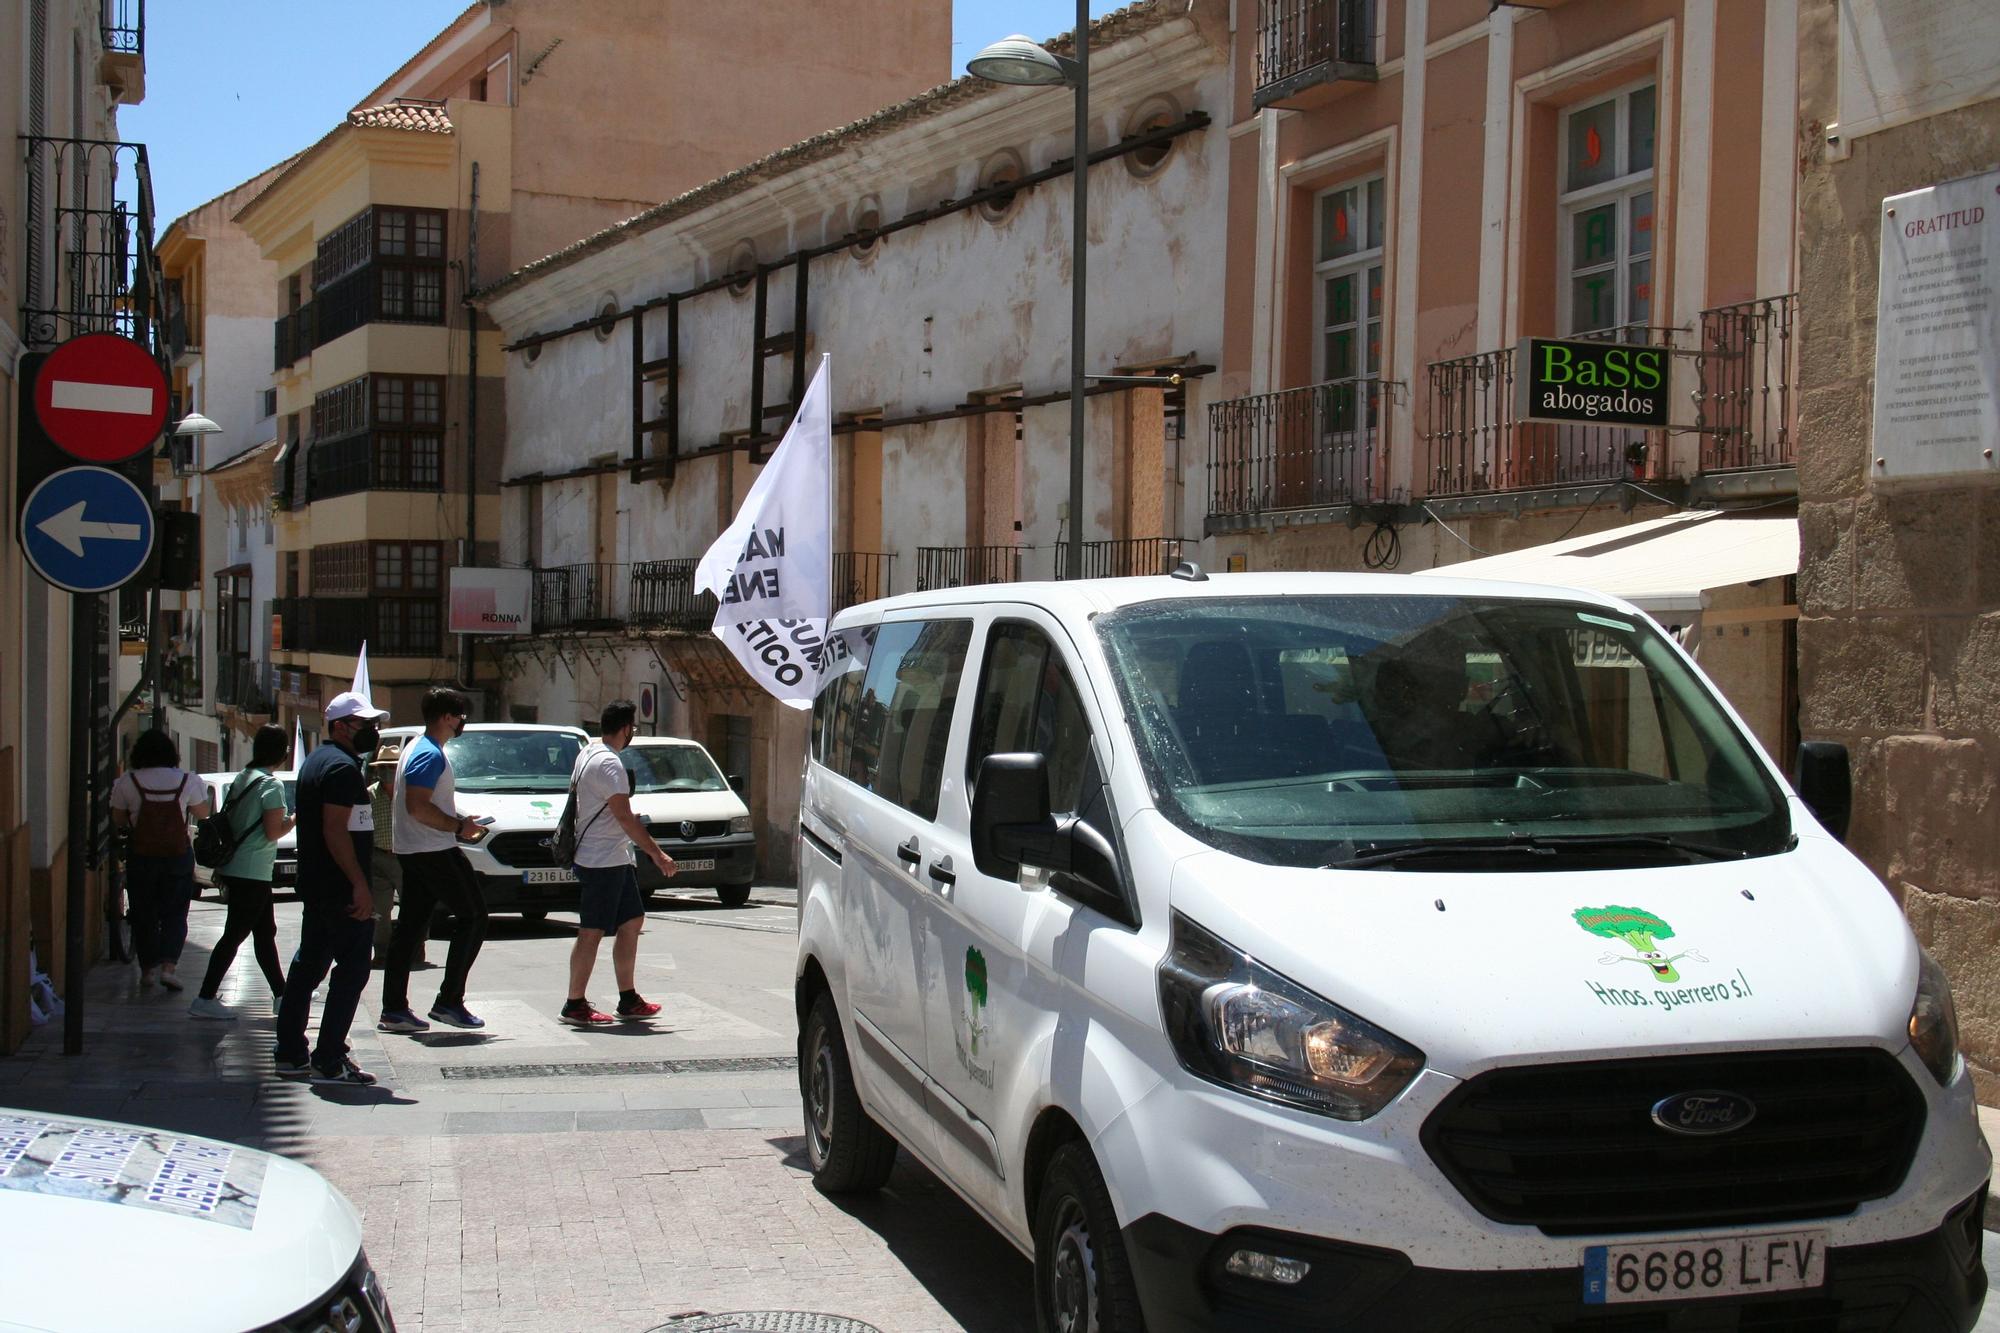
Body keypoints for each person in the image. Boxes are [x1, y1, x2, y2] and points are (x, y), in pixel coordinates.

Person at [273, 692, 388, 1084]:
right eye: (365, 725)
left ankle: (290, 1052)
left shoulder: (319, 761)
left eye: (375, 725)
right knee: (353, 968)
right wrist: (359, 885)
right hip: (339, 888)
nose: (373, 732)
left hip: (319, 884)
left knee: (309, 967)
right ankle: (329, 1057)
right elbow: (335, 831)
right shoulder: (340, 770)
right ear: (340, 726)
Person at [379, 687, 490, 1034]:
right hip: (433, 849)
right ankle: (449, 1001)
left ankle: (394, 1008)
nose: (461, 723)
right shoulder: (428, 754)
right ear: (446, 718)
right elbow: (417, 806)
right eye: (459, 716)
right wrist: (458, 827)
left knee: (410, 927)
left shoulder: (416, 746)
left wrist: (460, 820)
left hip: (415, 850)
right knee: (474, 917)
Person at [562, 700, 677, 1027]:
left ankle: (628, 998)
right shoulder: (610, 765)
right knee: (591, 932)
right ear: (626, 729)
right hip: (602, 861)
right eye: (633, 730)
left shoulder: (588, 752)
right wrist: (658, 853)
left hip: (613, 856)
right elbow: (625, 818)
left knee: (632, 921)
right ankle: (574, 1003)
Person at [190, 724, 295, 1020]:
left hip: (238, 868)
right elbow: (274, 831)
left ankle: (281, 994)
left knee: (264, 934)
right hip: (252, 870)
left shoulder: (243, 777)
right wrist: (295, 819)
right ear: (281, 752)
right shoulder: (271, 785)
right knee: (234, 935)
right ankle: (205, 997)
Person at [109, 729, 210, 992]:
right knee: (176, 913)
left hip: (141, 856)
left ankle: (147, 971)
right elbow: (202, 812)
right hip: (177, 856)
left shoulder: (127, 782)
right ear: (171, 754)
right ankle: (169, 968)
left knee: (144, 914)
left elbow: (118, 818)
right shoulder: (187, 780)